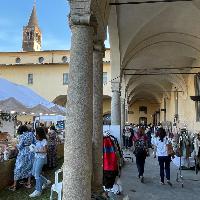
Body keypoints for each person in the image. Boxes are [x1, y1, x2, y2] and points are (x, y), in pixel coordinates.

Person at [9, 125, 36, 191]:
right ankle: (28, 183)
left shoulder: (21, 136)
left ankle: (15, 185)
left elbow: (20, 147)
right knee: (29, 167)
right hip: (31, 152)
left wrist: (14, 145)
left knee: (18, 168)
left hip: (23, 153)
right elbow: (35, 142)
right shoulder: (31, 134)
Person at [29, 127, 51, 198]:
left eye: (36, 132)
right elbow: (38, 148)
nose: (35, 134)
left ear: (40, 133)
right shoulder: (38, 139)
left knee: (36, 174)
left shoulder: (44, 140)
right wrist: (33, 148)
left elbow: (45, 151)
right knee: (33, 173)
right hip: (37, 157)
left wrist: (36, 150)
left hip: (41, 158)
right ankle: (46, 182)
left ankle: (38, 190)